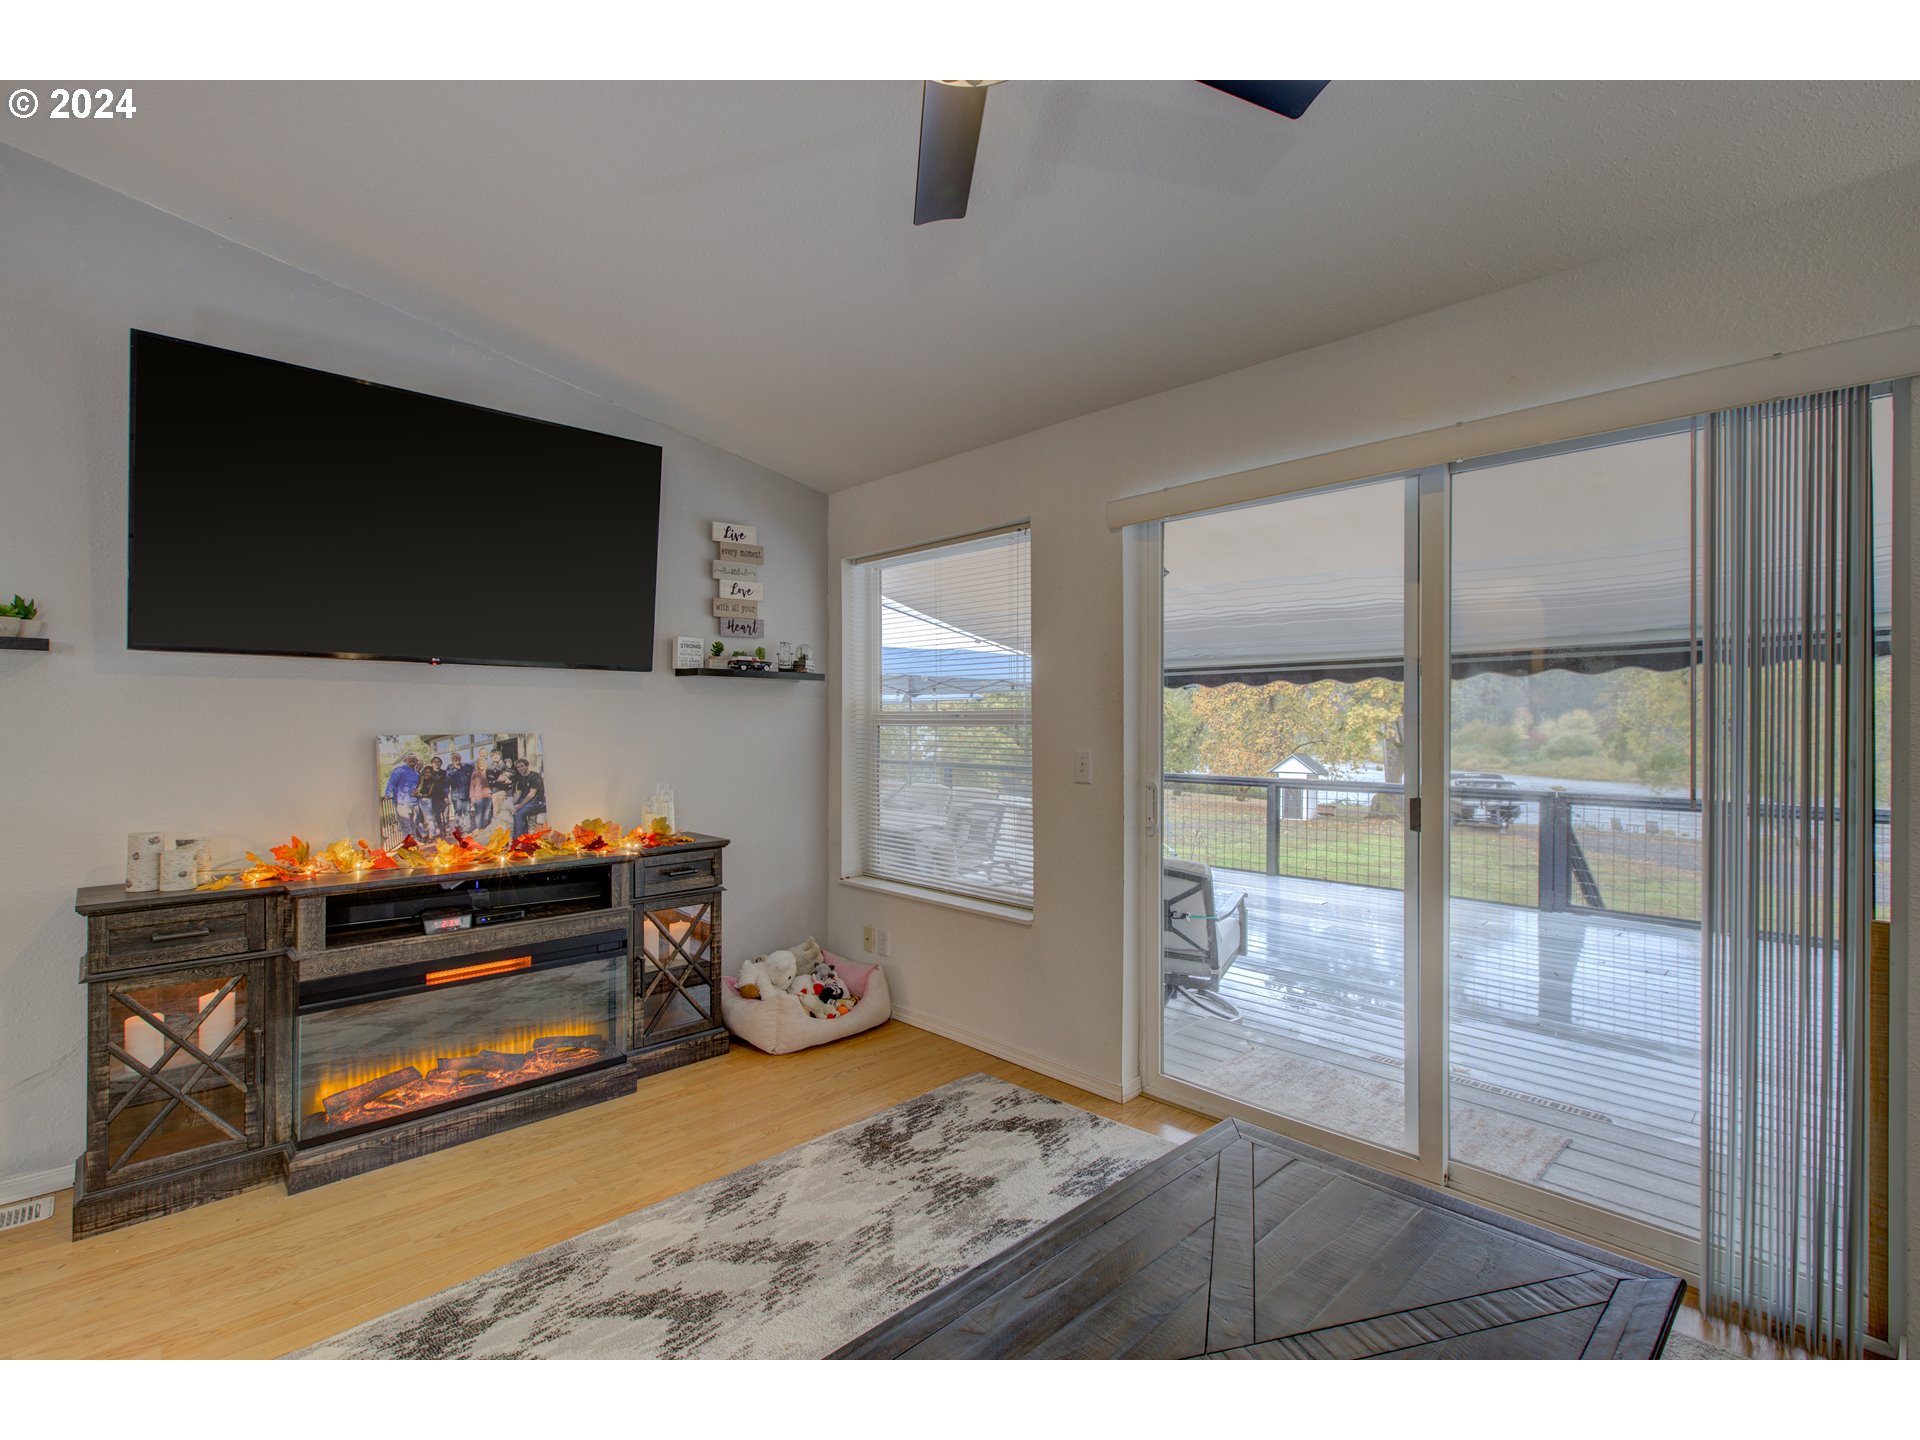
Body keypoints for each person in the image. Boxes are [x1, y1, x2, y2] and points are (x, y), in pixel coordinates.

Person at [382, 752, 425, 841]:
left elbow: (417, 787)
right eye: (410, 759)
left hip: (414, 802)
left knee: (413, 826)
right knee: (406, 827)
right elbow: (392, 782)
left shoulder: (416, 773)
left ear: (416, 761)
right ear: (406, 760)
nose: (412, 761)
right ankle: (409, 847)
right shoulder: (400, 770)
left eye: (414, 759)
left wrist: (417, 792)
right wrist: (387, 793)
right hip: (402, 803)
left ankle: (414, 845)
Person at [510, 756, 547, 839]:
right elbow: (518, 794)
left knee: (518, 814)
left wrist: (519, 806)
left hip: (536, 801)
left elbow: (532, 794)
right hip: (527, 801)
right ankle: (524, 837)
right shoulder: (520, 779)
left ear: (527, 766)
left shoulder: (535, 776)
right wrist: (512, 805)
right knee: (513, 812)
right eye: (518, 767)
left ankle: (518, 840)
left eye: (522, 766)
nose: (520, 769)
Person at [416, 756, 448, 839]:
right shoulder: (420, 778)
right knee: (416, 819)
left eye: (429, 772)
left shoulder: (433, 780)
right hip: (417, 800)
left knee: (432, 818)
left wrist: (445, 796)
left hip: (428, 799)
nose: (427, 774)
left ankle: (434, 835)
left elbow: (430, 793)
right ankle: (424, 834)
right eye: (426, 772)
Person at [446, 752, 474, 833]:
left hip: (466, 794)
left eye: (457, 757)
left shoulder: (466, 767)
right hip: (456, 796)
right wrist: (446, 796)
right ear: (451, 760)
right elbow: (446, 784)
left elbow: (475, 767)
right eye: (453, 758)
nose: (455, 759)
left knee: (467, 812)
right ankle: (460, 828)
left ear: (460, 758)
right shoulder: (449, 771)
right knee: (458, 812)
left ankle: (467, 829)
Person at [470, 755, 494, 832]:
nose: (481, 765)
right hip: (478, 797)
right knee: (479, 814)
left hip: (488, 796)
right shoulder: (475, 774)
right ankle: (480, 829)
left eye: (482, 763)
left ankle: (485, 829)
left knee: (486, 814)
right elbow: (471, 786)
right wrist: (472, 797)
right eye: (479, 764)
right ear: (477, 765)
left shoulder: (488, 773)